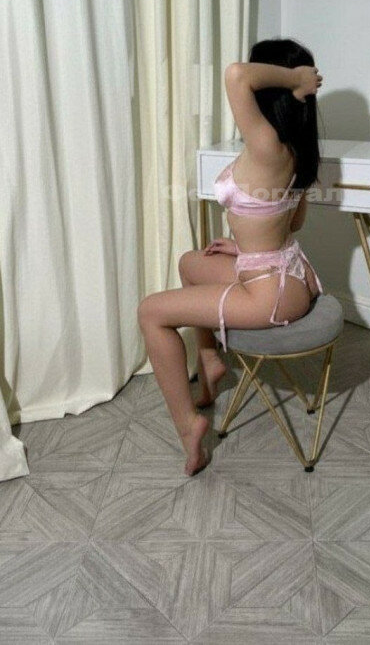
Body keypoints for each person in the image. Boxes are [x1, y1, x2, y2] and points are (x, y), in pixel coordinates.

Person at [137, 38, 324, 476]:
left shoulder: (265, 144)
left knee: (150, 312)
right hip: (288, 273)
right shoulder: (297, 148)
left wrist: (297, 78)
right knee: (190, 263)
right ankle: (210, 361)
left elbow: (237, 74)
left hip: (268, 295)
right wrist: (243, 247)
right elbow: (292, 224)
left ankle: (190, 427)